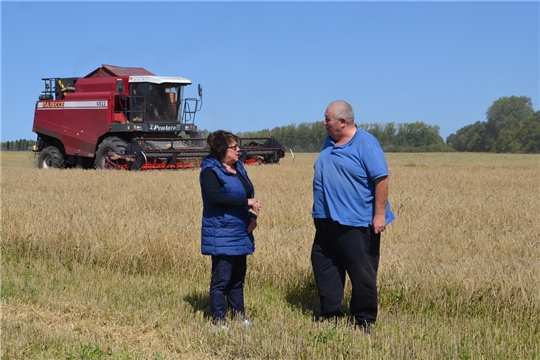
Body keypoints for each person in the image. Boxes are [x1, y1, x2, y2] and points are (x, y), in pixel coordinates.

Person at [311, 100, 396, 332]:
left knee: (361, 272)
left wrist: (379, 215)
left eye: (327, 119)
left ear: (343, 121)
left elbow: (382, 179)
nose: (323, 122)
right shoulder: (329, 140)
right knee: (324, 265)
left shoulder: (366, 144)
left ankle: (364, 319)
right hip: (326, 219)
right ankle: (330, 315)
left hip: (356, 221)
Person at [200, 130, 262, 329]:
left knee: (237, 279)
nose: (238, 150)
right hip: (222, 232)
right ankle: (219, 321)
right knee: (221, 280)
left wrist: (252, 216)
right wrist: (246, 201)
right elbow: (214, 198)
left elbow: (249, 195)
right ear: (220, 149)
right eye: (234, 147)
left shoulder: (239, 168)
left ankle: (239, 317)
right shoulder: (210, 171)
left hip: (241, 231)